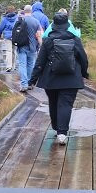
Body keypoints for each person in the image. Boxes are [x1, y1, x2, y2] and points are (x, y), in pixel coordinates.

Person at [29, 11, 89, 145]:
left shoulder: (48, 40)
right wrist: (84, 73)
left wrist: (32, 80)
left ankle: (57, 128)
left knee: (54, 103)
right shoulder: (75, 40)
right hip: (71, 79)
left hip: (51, 79)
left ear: (54, 25)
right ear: (67, 25)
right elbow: (83, 59)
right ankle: (62, 133)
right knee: (65, 105)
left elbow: (40, 62)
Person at [14, 5, 43, 92]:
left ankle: (24, 84)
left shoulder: (20, 20)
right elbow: (39, 35)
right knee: (31, 65)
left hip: (21, 46)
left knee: (22, 65)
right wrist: (41, 45)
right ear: (31, 11)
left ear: (24, 11)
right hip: (33, 47)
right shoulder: (36, 22)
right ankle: (30, 83)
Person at [0, 5, 18, 72]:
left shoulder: (4, 19)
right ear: (14, 11)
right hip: (15, 37)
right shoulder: (17, 18)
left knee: (8, 51)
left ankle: (8, 66)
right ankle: (13, 66)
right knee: (14, 51)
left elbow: (0, 29)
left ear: (7, 11)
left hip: (7, 37)